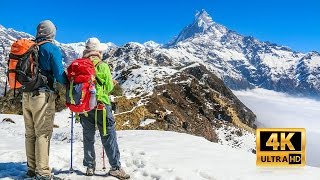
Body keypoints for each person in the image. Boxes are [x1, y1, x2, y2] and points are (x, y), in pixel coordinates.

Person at [23, 20, 67, 179]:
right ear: (51, 33)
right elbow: (59, 74)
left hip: (26, 95)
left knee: (30, 133)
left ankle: (31, 169)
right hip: (42, 96)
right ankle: (42, 173)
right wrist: (69, 84)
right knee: (43, 134)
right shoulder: (51, 48)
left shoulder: (29, 47)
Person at [79, 37, 130, 179]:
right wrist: (111, 82)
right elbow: (108, 87)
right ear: (98, 51)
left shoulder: (80, 65)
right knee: (108, 136)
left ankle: (90, 166)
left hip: (85, 107)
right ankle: (115, 167)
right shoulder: (102, 66)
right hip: (101, 105)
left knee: (88, 136)